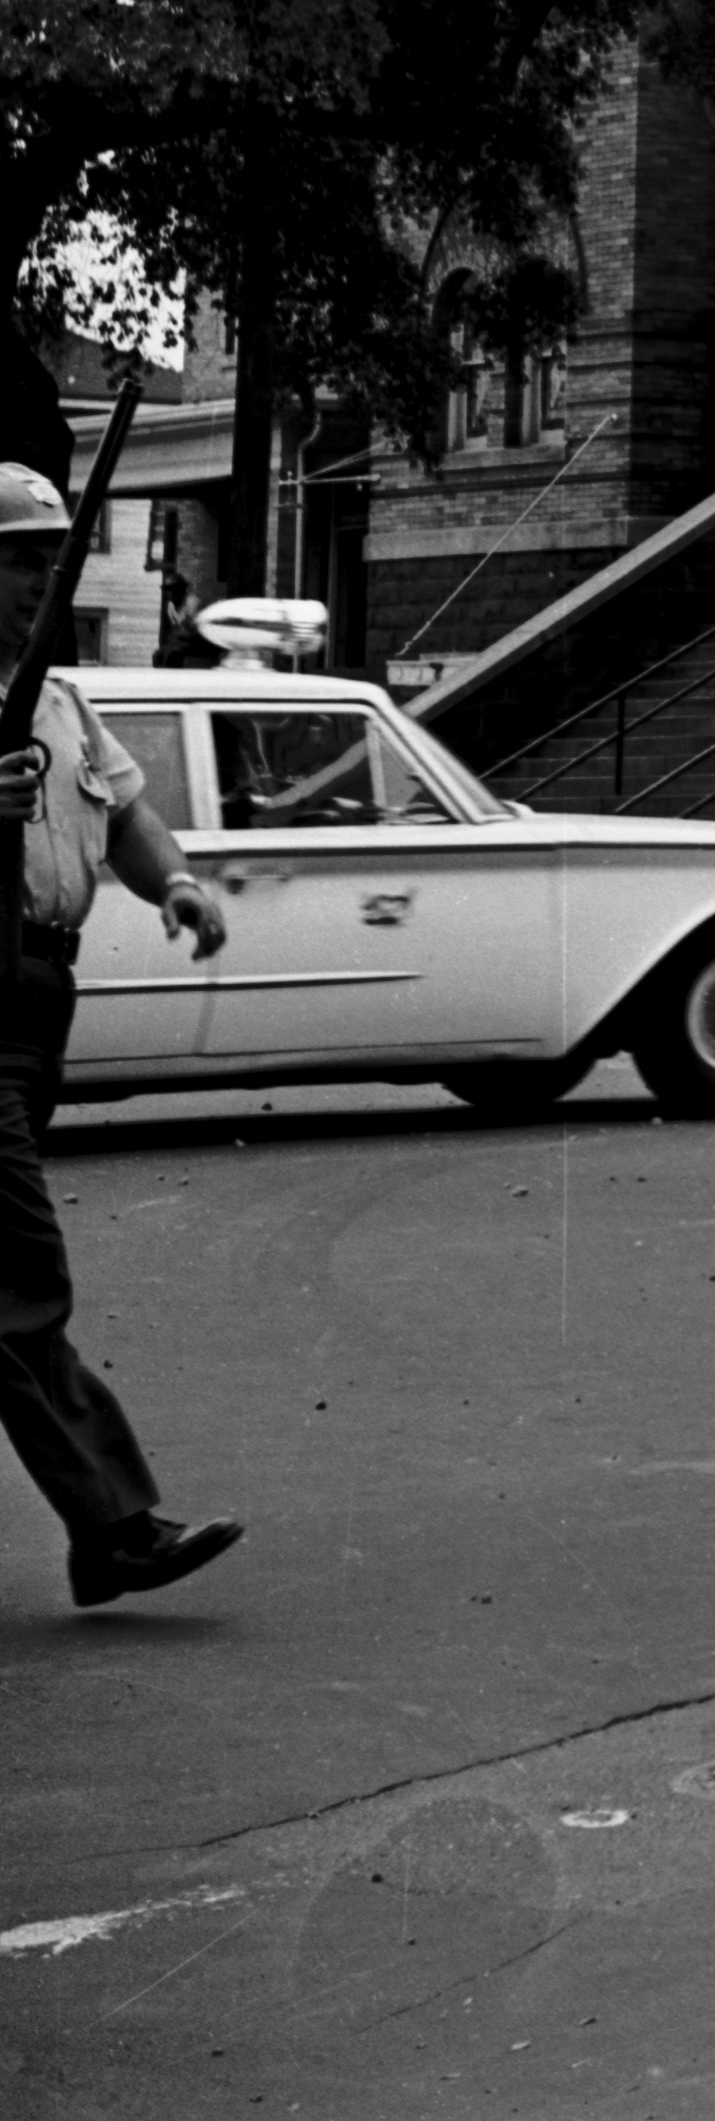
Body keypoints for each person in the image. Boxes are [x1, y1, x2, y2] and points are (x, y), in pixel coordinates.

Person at [0, 461, 242, 1609]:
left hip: (38, 1003)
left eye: (49, 559)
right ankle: (115, 1524)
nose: (39, 579)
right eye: (17, 558)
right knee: (17, 1281)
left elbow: (122, 807)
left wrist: (177, 884)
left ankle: (112, 1527)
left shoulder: (54, 694)